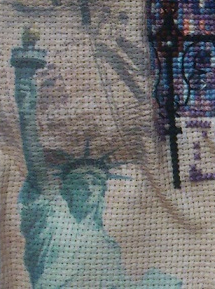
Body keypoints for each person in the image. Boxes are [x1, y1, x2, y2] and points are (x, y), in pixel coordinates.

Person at [13, 30, 180, 289]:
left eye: (97, 184)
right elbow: (35, 160)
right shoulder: (54, 217)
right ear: (67, 189)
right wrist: (25, 93)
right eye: (83, 182)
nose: (91, 188)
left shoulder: (107, 246)